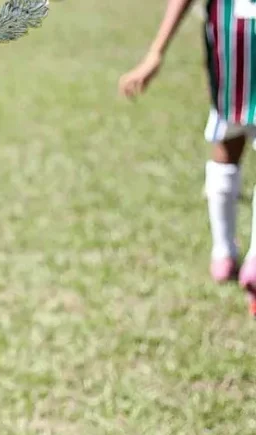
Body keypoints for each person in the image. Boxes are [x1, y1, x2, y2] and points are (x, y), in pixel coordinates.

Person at [120, 0, 256, 316]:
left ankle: (223, 252)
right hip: (233, 49)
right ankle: (250, 261)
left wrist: (156, 52)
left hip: (232, 45)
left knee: (227, 137)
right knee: (227, 137)